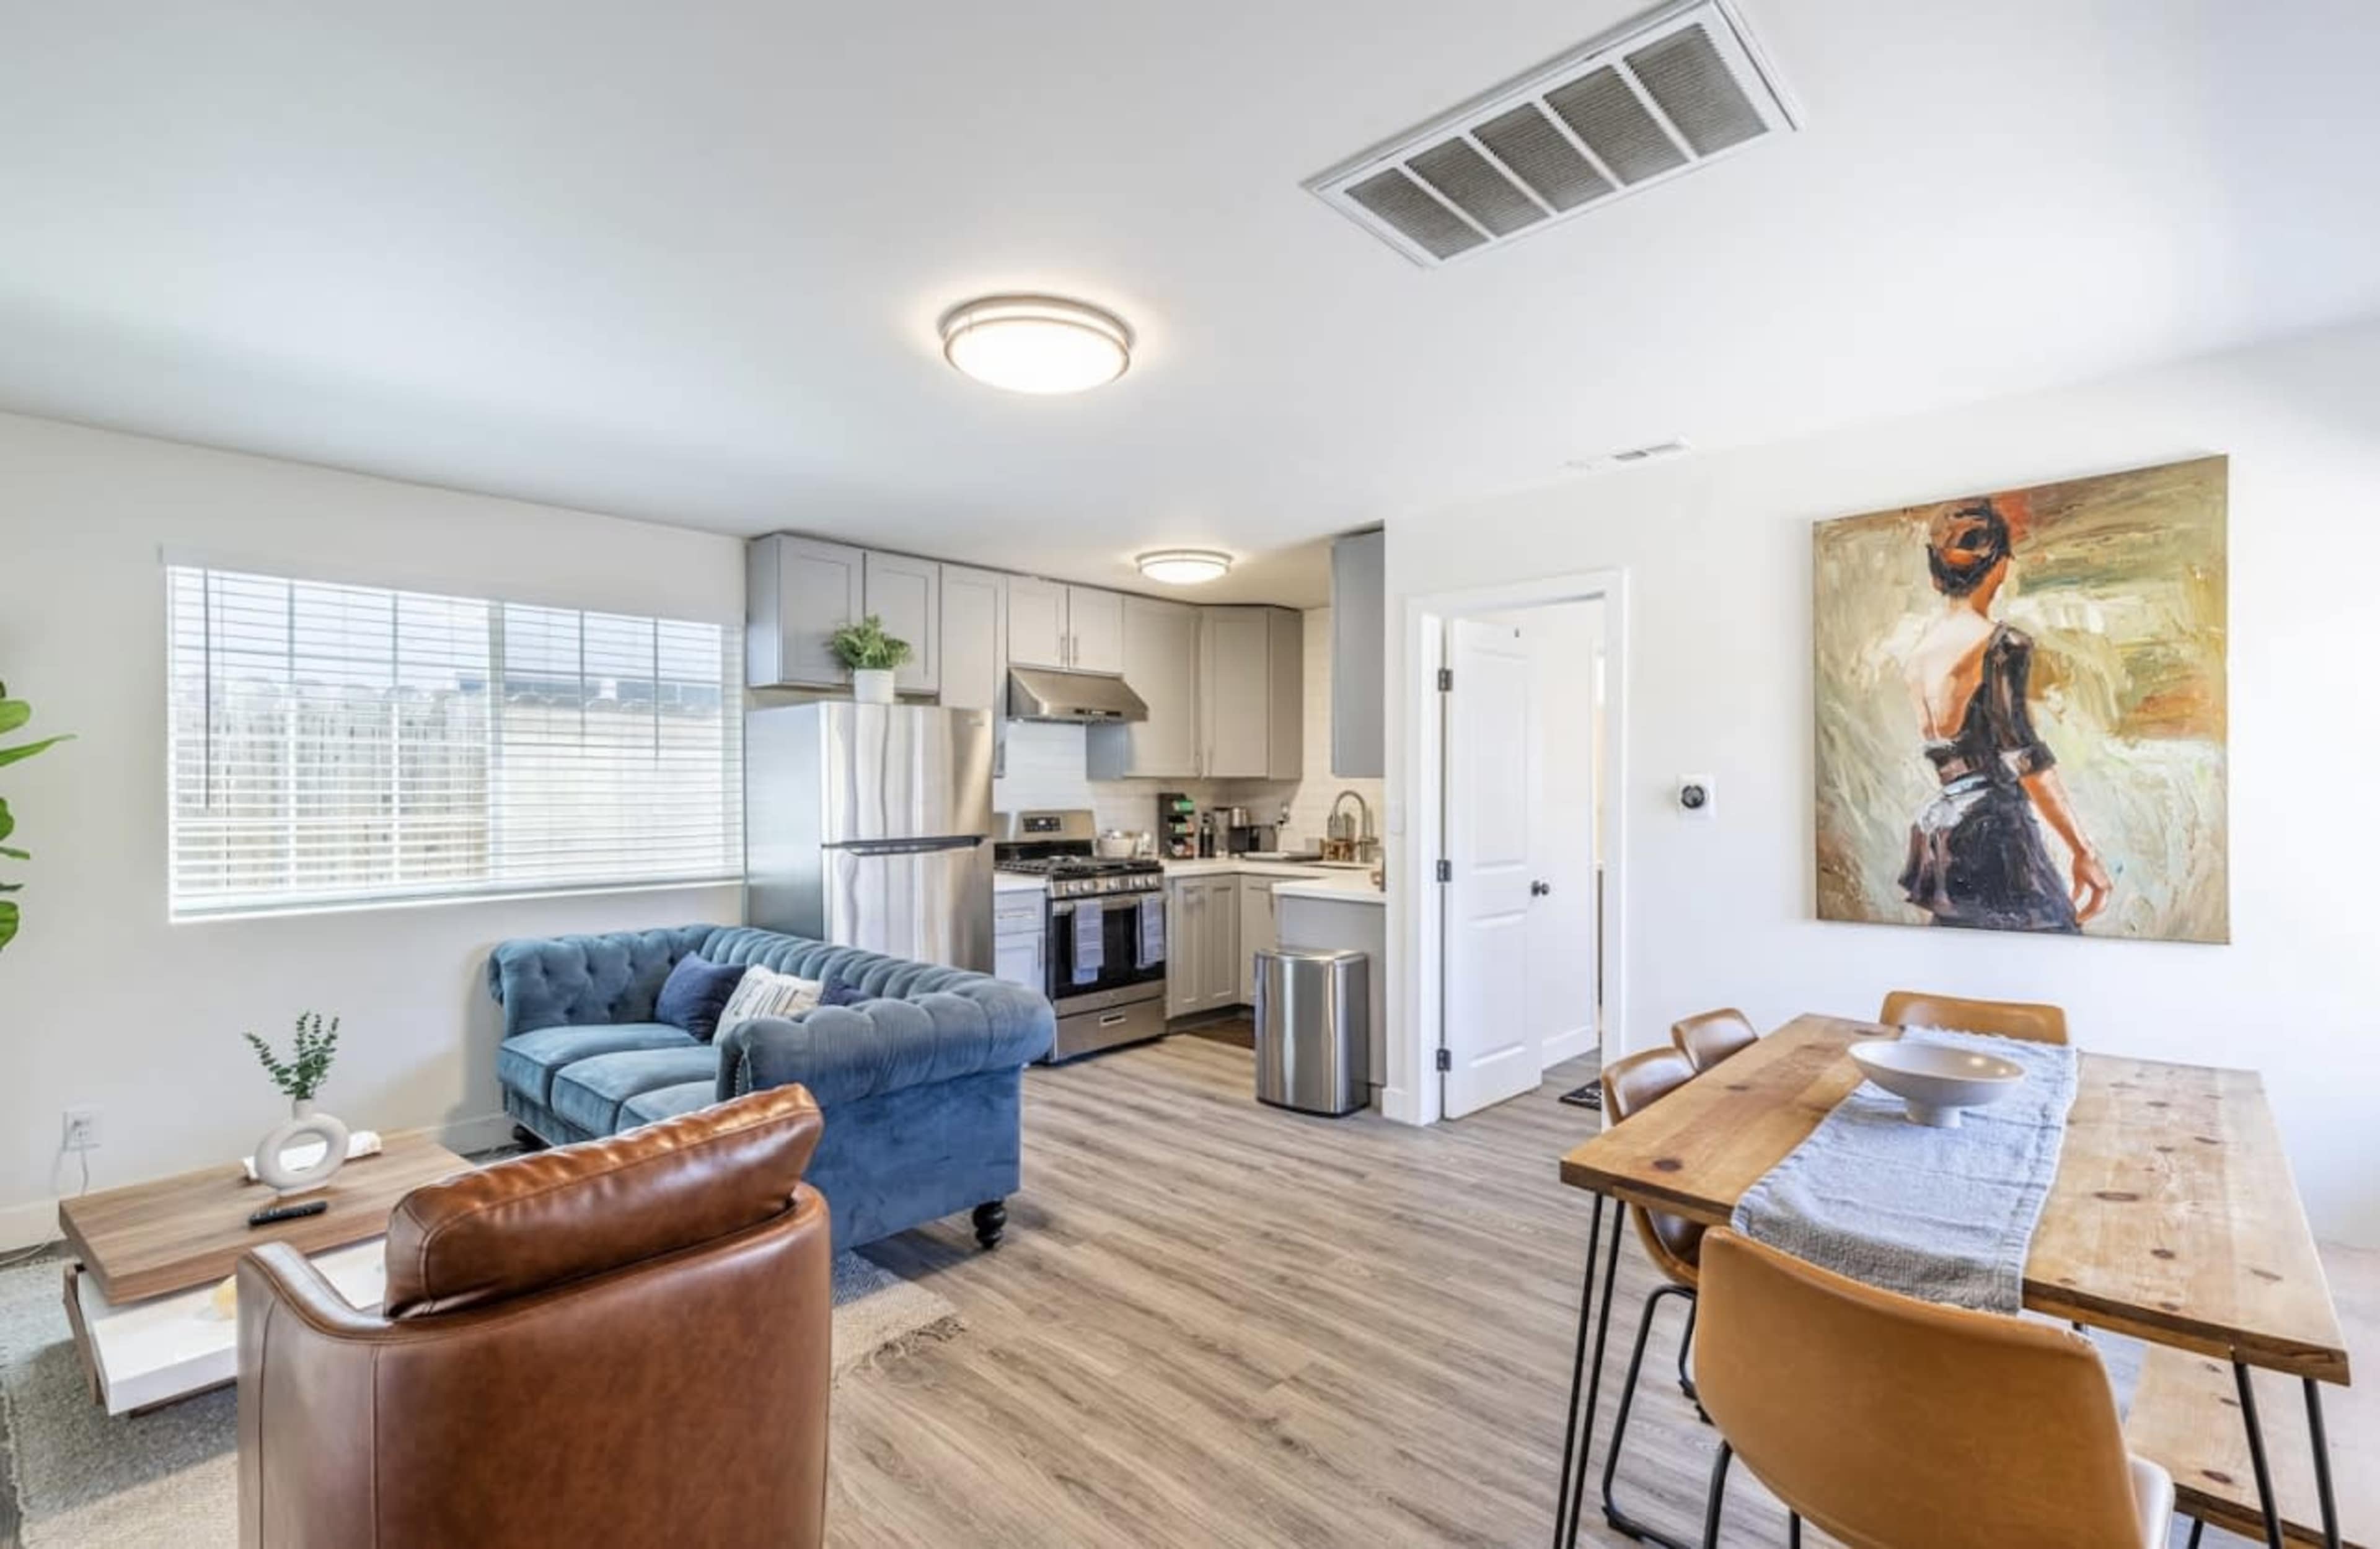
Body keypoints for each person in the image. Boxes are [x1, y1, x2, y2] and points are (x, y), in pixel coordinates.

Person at [1898, 498, 2111, 931]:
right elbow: (2022, 754)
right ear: (1998, 566)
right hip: (1993, 835)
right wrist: (2082, 850)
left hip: (1940, 840)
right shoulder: (2001, 645)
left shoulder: (1919, 656)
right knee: (2052, 949)